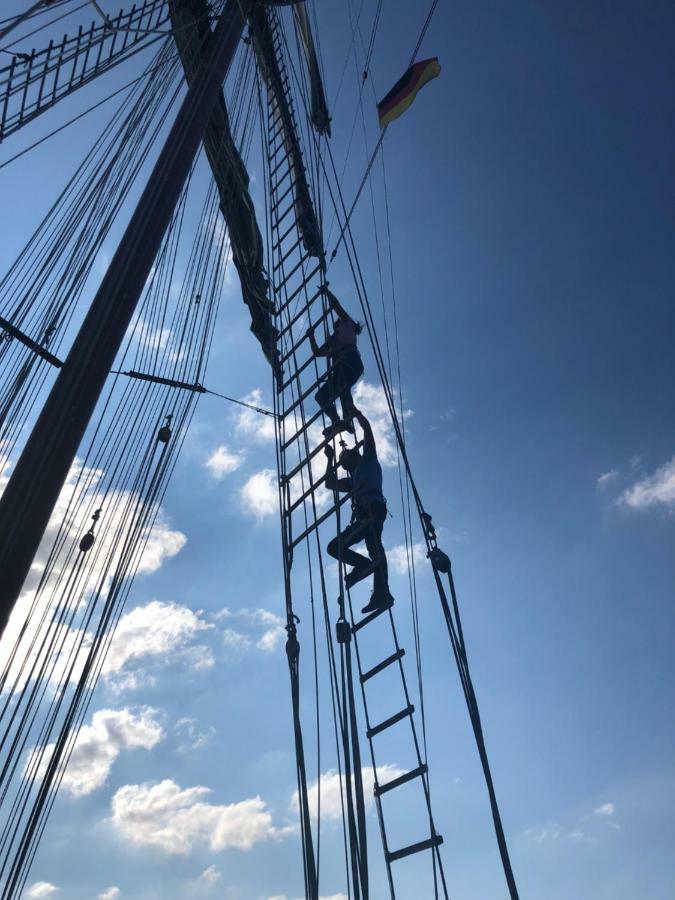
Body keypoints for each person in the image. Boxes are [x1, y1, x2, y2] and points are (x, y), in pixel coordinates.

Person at [324, 408, 394, 615]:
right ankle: (367, 571)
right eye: (343, 462)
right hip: (363, 514)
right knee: (335, 547)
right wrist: (329, 459)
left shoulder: (369, 461)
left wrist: (356, 413)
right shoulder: (352, 479)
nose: (345, 462)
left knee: (375, 547)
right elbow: (330, 484)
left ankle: (380, 592)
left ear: (356, 455)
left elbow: (368, 431)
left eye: (347, 458)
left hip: (374, 508)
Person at [307, 285, 364, 439]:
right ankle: (338, 421)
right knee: (321, 396)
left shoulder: (347, 323)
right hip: (340, 367)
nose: (335, 327)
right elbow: (318, 353)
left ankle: (348, 417)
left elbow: (336, 306)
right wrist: (311, 336)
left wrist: (327, 293)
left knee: (342, 386)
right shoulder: (335, 341)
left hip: (350, 361)